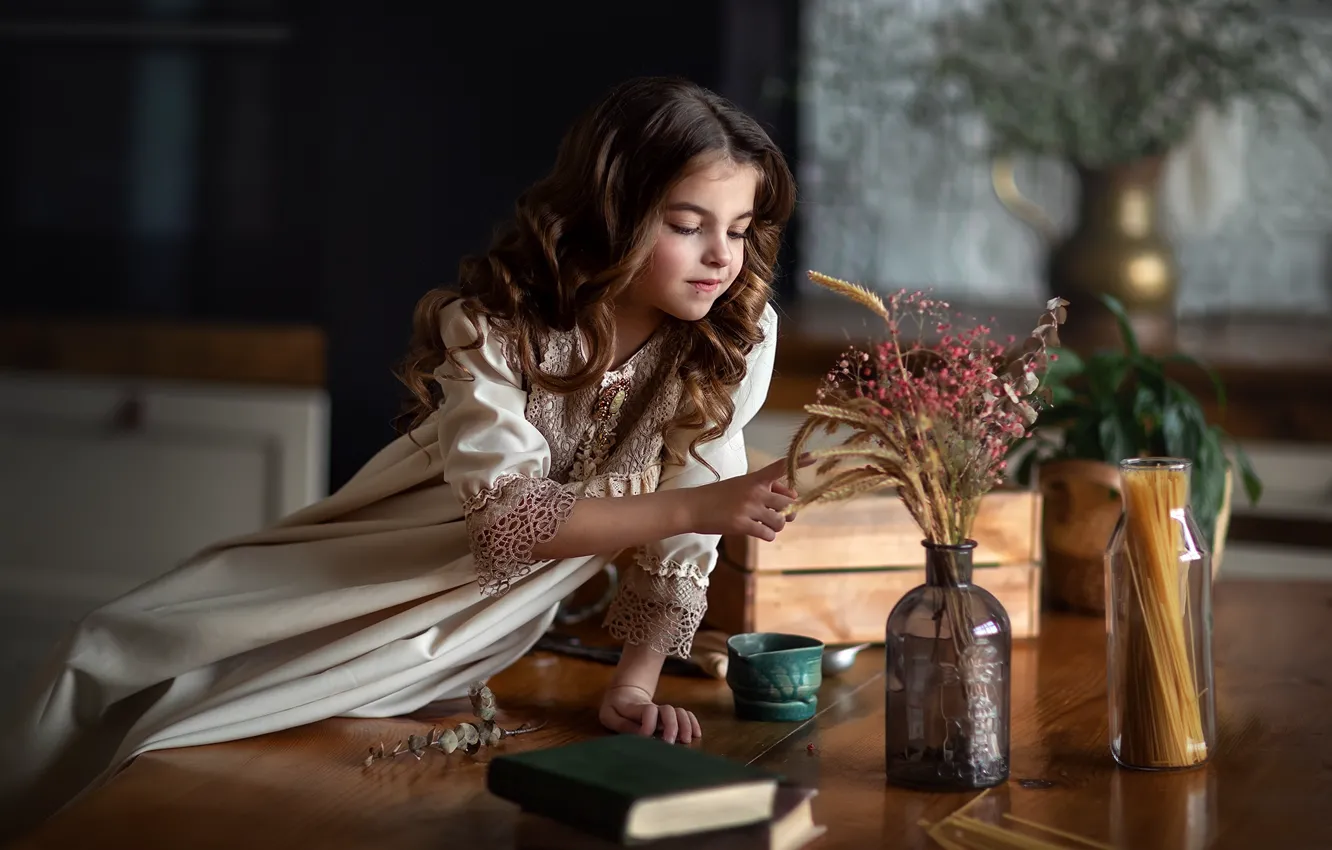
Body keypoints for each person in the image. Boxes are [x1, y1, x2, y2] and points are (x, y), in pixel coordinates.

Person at [0, 75, 800, 833]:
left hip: (493, 609)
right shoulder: (498, 323)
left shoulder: (733, 336)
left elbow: (689, 526)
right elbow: (509, 524)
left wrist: (634, 683)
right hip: (393, 549)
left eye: (737, 229)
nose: (721, 257)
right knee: (115, 651)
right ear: (612, 211)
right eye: (687, 225)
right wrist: (702, 506)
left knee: (233, 735)